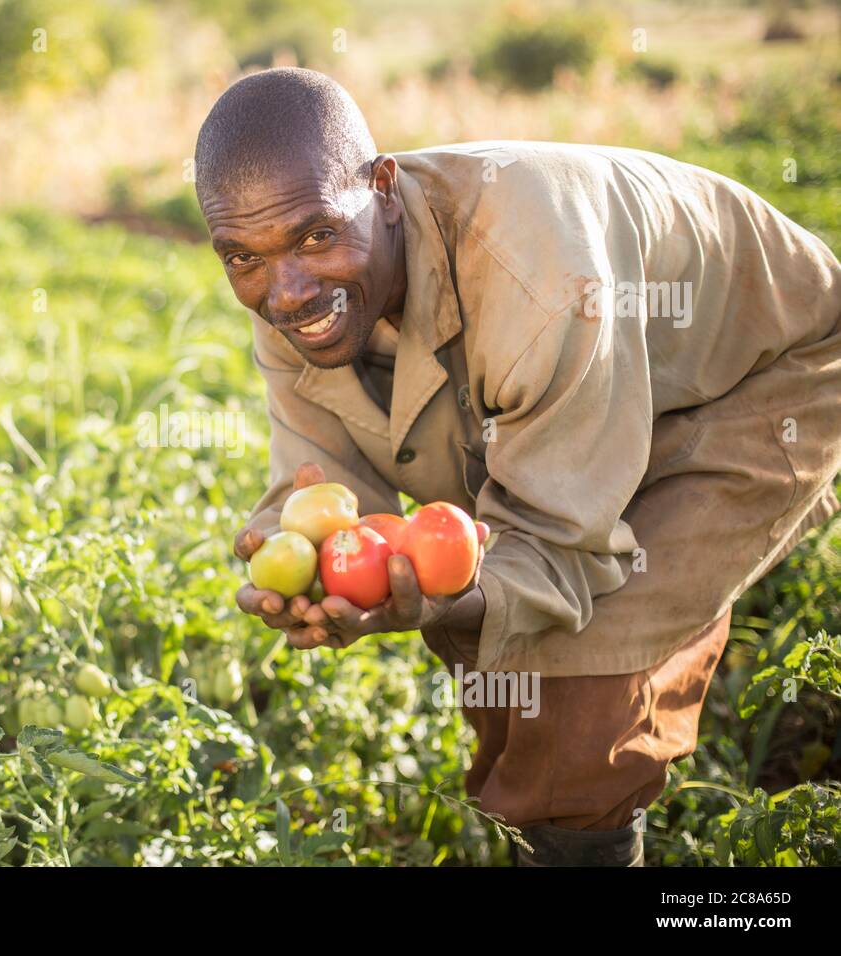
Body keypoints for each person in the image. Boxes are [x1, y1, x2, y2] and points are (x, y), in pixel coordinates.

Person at [195, 67, 841, 866]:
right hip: (593, 378)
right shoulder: (297, 293)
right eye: (240, 258)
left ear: (384, 188)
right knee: (512, 674)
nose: (284, 291)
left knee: (584, 675)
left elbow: (555, 538)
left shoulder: (533, 272)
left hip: (762, 376)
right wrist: (298, 557)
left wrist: (446, 600)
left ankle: (589, 838)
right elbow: (326, 496)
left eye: (317, 236)